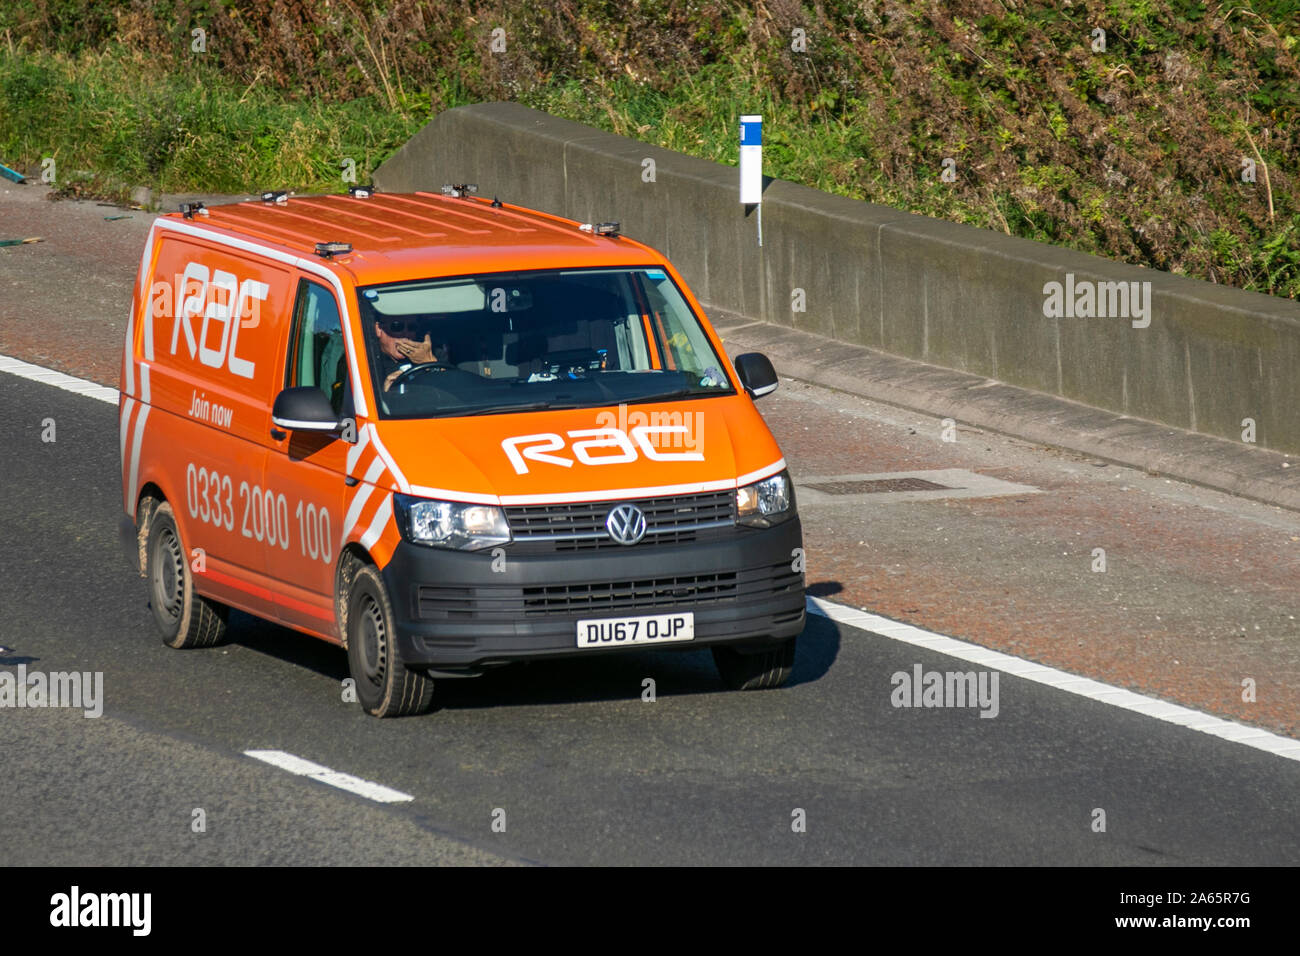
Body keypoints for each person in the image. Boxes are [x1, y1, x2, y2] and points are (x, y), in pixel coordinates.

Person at [373, 316, 446, 391]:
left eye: (412, 327)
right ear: (379, 329)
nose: (406, 334)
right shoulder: (369, 362)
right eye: (397, 327)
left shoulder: (435, 354)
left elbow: (452, 393)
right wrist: (385, 395)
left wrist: (430, 363)